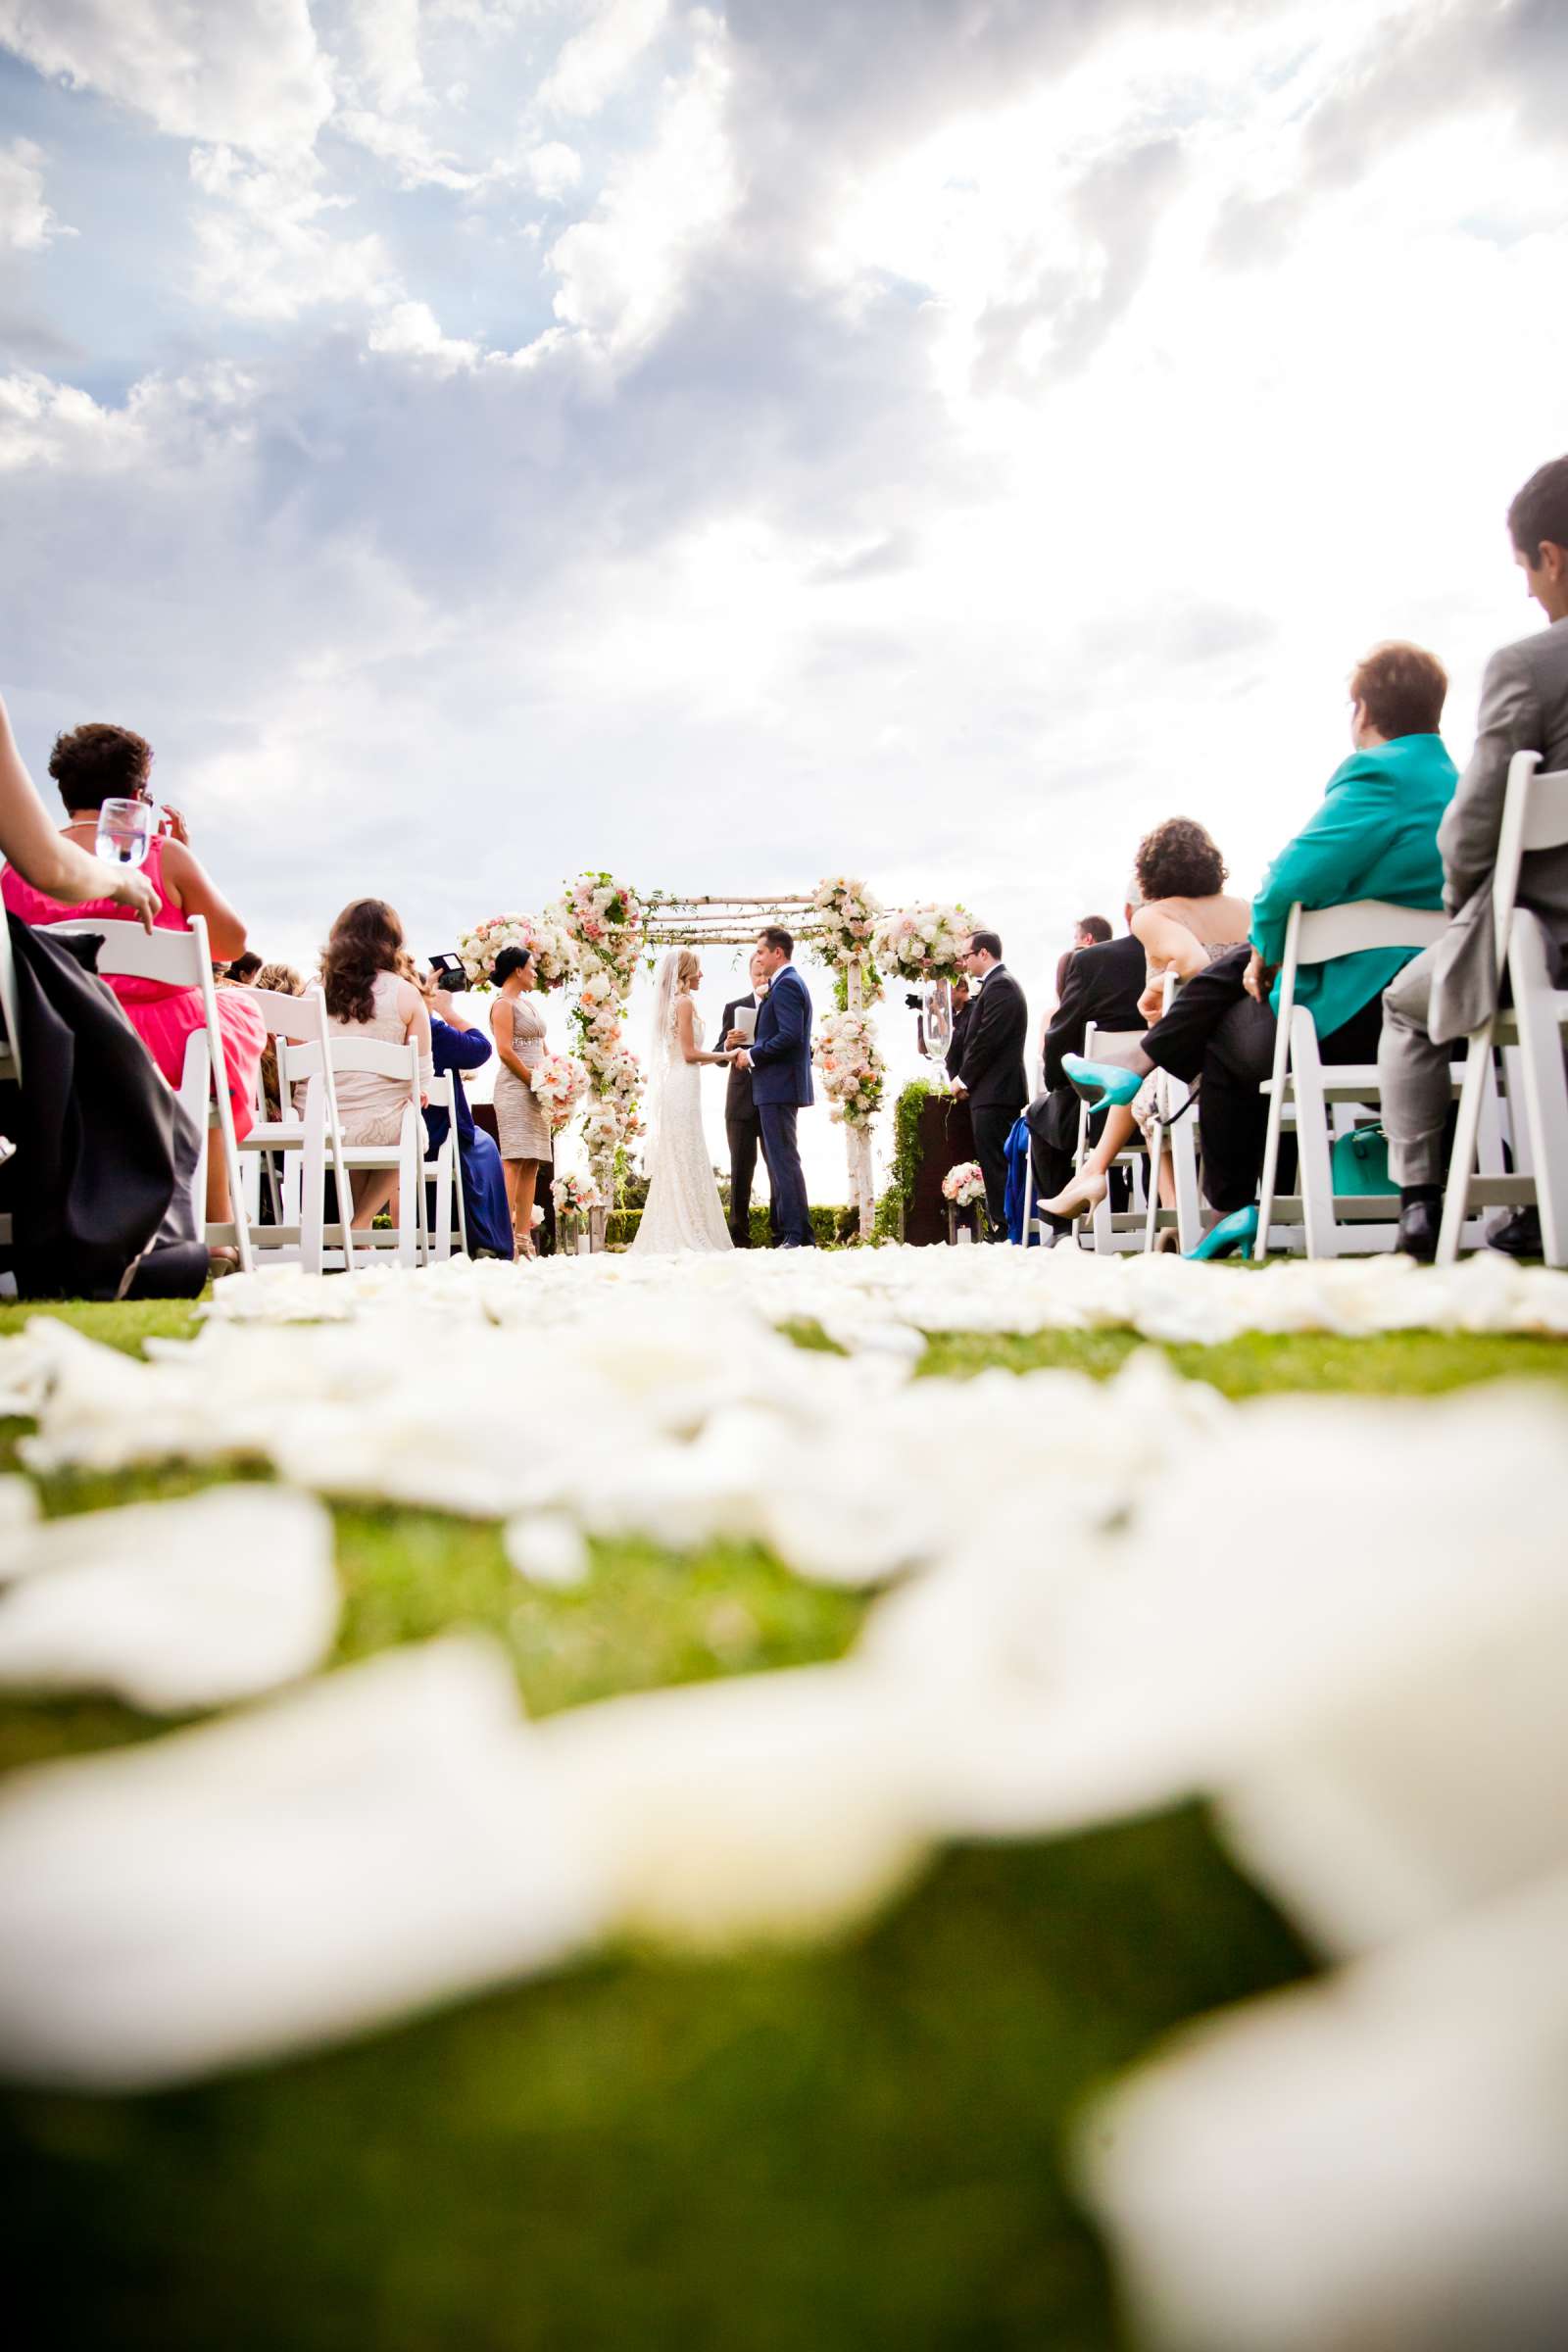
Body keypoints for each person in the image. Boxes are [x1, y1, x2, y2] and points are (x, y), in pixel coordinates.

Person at [1054, 652, 1456, 1230]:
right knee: (1238, 985)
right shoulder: (1457, 783)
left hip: (1364, 1014)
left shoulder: (1378, 776)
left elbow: (1286, 885)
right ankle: (1152, 1082)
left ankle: (1231, 1208)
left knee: (1229, 1034)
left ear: (1362, 711)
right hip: (1452, 1001)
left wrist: (1267, 949)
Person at [1380, 461, 1568, 1260]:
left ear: (1551, 558)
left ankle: (1423, 1206)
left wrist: (1465, 909)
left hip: (1549, 938)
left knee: (1406, 1003)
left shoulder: (1529, 667)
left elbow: (1469, 832)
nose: (1528, 590)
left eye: (1526, 568)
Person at [0, 715, 266, 1272]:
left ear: (63, 790)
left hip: (56, 1043)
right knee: (232, 1012)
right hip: (163, 1042)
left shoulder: (17, 869)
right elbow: (231, 943)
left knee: (215, 1024)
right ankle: (214, 1226)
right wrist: (186, 862)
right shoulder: (162, 852)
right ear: (139, 792)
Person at [1025, 889, 1147, 1239]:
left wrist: (1058, 1084)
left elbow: (1060, 1044)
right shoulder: (1198, 948)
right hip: (1183, 1104)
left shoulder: (1095, 961)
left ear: (1128, 911)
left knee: (1039, 1115)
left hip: (1099, 1112)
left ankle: (1060, 1230)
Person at [318, 899, 431, 1233]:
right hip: (381, 1123)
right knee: (412, 1129)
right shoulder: (407, 995)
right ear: (393, 942)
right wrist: (417, 1092)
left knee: (369, 1118)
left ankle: (360, 1229)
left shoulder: (312, 991)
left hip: (321, 1122)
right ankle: (360, 1224)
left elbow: (300, 1066)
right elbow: (422, 1073)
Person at [631, 948, 734, 1253]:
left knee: (681, 1152)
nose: (701, 975)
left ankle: (682, 1221)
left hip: (681, 1080)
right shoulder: (685, 1002)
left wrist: (721, 1048)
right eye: (698, 970)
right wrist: (726, 1054)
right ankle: (686, 1227)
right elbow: (689, 1054)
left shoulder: (675, 1004)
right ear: (686, 972)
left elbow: (684, 1055)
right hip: (682, 1085)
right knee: (683, 1151)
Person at [417, 967, 514, 1260]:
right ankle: (486, 1239)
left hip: (385, 1126)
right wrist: (447, 1011)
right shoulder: (432, 1030)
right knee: (484, 1145)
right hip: (436, 1133)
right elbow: (481, 1049)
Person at [732, 926, 815, 1248]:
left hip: (778, 1085)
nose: (757, 956)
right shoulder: (785, 984)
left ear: (777, 953)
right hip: (779, 1085)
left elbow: (790, 1036)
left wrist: (752, 1054)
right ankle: (801, 1233)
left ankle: (796, 1236)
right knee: (784, 1160)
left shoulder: (786, 985)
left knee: (784, 1161)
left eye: (761, 951)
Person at [950, 929, 1027, 1238]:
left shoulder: (1001, 987)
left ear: (984, 953)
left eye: (967, 955)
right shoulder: (995, 986)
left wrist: (964, 1078)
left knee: (998, 1165)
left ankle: (1007, 1228)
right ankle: (1004, 1225)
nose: (965, 962)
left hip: (997, 1092)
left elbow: (986, 1042)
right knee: (994, 1163)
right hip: (992, 1091)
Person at [488, 946, 552, 1256]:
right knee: (513, 1159)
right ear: (517, 970)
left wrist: (557, 1081)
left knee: (532, 1161)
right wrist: (533, 1081)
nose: (536, 973)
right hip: (515, 1088)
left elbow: (543, 1047)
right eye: (532, 967)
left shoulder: (529, 1006)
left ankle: (523, 1237)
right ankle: (502, 1237)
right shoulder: (502, 1005)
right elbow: (504, 1051)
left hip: (539, 1088)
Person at [716, 949, 773, 1247]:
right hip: (739, 1101)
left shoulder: (782, 1003)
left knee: (776, 1167)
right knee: (740, 1170)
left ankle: (780, 1232)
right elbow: (718, 1057)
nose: (762, 979)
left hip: (772, 1098)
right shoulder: (734, 1007)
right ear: (750, 975)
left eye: (766, 974)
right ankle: (739, 1236)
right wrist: (728, 1043)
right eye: (757, 974)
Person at [1053, 914, 1114, 1003]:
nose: (1074, 944)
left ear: (1088, 939)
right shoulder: (1120, 965)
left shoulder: (1074, 960)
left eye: (1076, 938)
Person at [945, 974, 972, 1079]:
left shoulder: (975, 1011)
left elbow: (955, 1043)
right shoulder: (951, 1015)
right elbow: (923, 1049)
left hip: (969, 1084)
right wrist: (923, 1015)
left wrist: (938, 1014)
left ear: (962, 986)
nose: (945, 994)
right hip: (954, 1085)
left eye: (948, 988)